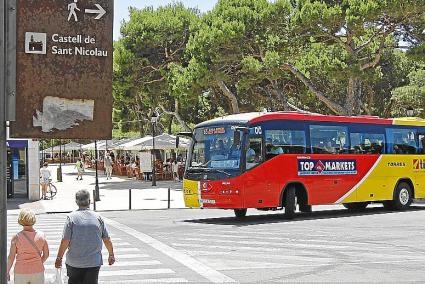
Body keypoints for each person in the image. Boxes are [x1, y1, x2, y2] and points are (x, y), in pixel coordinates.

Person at [55, 189, 115, 284]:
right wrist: (111, 254)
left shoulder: (71, 218)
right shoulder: (98, 217)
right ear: (90, 201)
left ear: (76, 202)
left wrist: (59, 258)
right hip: (93, 262)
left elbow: (65, 241)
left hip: (74, 262)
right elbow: (107, 239)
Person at [7, 209, 49, 284]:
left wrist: (7, 271)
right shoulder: (42, 236)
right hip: (37, 270)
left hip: (21, 271)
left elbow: (11, 257)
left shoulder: (16, 237)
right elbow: (46, 255)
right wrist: (38, 262)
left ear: (20, 220)